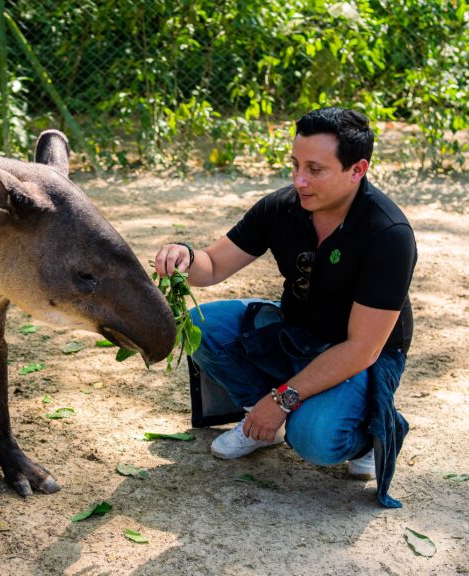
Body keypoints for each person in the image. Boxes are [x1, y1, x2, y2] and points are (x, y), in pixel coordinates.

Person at [154, 107, 416, 508]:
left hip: (364, 354)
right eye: (295, 165)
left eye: (315, 169)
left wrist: (282, 400)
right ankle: (260, 421)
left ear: (357, 169)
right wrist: (185, 257)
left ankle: (371, 429)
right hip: (298, 331)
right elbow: (214, 265)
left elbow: (362, 348)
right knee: (198, 326)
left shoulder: (389, 233)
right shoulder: (281, 207)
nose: (300, 180)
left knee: (317, 441)